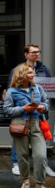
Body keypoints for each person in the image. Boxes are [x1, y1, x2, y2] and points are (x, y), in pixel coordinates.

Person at [3, 63, 54, 188]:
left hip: (36, 125)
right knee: (22, 155)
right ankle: (25, 181)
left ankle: (39, 185)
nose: (33, 75)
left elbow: (46, 104)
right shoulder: (12, 91)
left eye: (33, 72)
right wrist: (22, 109)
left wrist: (42, 107)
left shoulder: (38, 88)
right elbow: (7, 110)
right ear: (22, 74)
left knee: (41, 156)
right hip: (19, 124)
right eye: (30, 73)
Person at [7, 44, 55, 177]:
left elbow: (48, 91)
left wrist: (43, 107)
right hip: (21, 116)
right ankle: (16, 163)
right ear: (26, 54)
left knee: (41, 144)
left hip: (39, 116)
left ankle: (42, 167)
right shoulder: (17, 70)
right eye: (33, 52)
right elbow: (10, 90)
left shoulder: (44, 69)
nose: (37, 54)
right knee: (19, 137)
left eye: (38, 52)